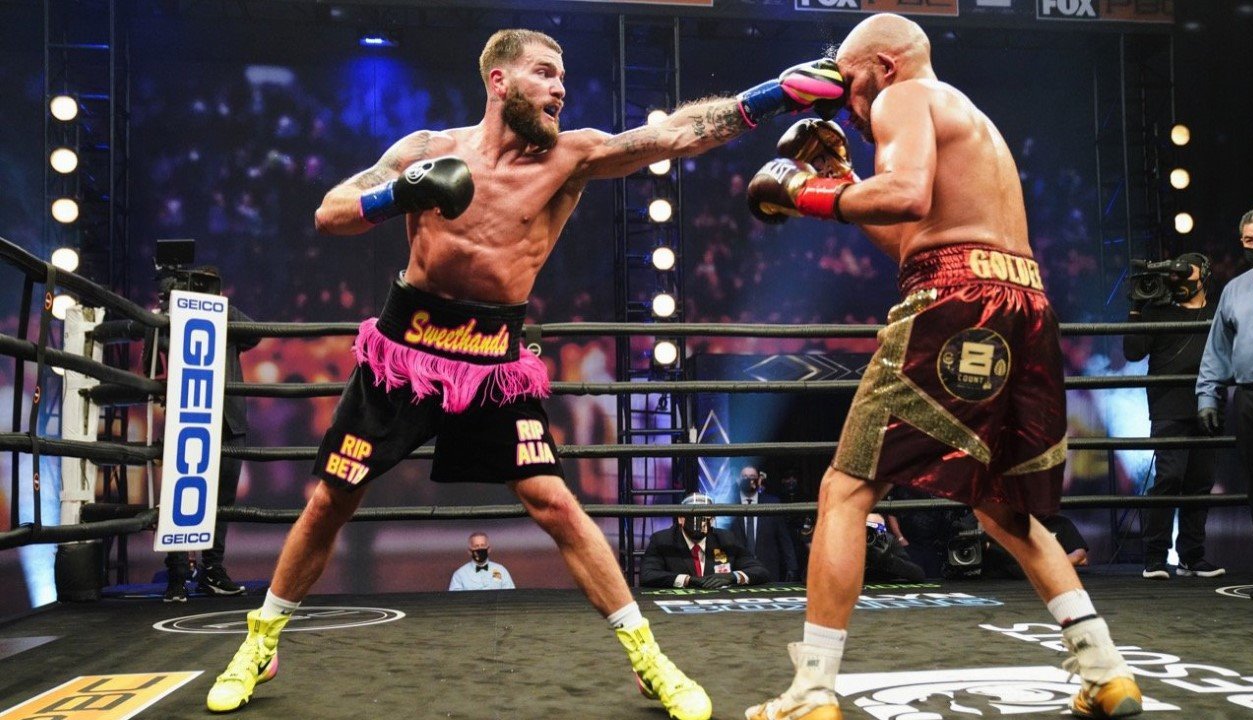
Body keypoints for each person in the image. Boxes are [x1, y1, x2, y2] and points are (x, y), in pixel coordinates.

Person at [204, 28, 845, 720]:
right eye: (544, 73)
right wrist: (398, 194)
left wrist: (771, 96)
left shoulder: (571, 156)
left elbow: (673, 136)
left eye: (562, 77)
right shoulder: (426, 150)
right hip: (405, 351)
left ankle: (648, 659)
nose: (560, 88)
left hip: (493, 360)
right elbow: (330, 214)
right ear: (500, 81)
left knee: (555, 505)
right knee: (332, 499)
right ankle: (260, 643)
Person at [743, 14, 1143, 719]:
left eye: (851, 81)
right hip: (1023, 301)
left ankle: (812, 691)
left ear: (885, 66)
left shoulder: (905, 96)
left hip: (957, 298)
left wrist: (802, 192)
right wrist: (840, 178)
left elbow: (906, 197)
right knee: (1002, 507)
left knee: (845, 489)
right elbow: (911, 239)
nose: (848, 103)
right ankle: (1107, 672)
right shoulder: (967, 118)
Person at [159, 266, 260, 602]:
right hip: (190, 416)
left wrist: (217, 306)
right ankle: (176, 576)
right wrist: (180, 305)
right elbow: (159, 346)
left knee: (223, 501)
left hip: (229, 420)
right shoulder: (175, 316)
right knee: (182, 494)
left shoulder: (225, 316)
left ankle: (212, 571)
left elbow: (255, 334)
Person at [1122, 253, 1224, 580]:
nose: (1179, 281)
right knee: (1169, 478)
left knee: (1200, 482)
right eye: (1175, 276)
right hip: (1169, 405)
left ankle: (1191, 557)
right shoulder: (1158, 311)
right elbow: (1133, 351)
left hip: (1209, 404)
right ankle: (1155, 557)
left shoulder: (1218, 311)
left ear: (1203, 276)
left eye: (1186, 275)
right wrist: (1136, 308)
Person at [1196, 205, 1253, 602]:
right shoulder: (1234, 290)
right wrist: (1207, 396)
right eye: (1250, 240)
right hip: (1249, 399)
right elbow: (1217, 348)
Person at [640, 493, 770, 589]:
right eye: (694, 517)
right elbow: (647, 575)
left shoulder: (726, 539)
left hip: (718, 607)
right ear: (680, 518)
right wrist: (688, 580)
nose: (700, 523)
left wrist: (732, 576)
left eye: (705, 517)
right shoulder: (663, 540)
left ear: (712, 519)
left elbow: (760, 570)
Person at [731, 466, 799, 582]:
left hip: (768, 568)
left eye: (752, 476)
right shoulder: (729, 503)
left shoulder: (772, 503)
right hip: (738, 569)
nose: (749, 480)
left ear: (759, 479)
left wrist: (792, 567)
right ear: (738, 479)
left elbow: (783, 537)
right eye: (745, 477)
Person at [447, 531, 515, 591]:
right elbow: (455, 599)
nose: (480, 549)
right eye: (476, 546)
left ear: (489, 549)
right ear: (469, 551)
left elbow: (511, 596)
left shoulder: (501, 570)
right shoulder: (459, 575)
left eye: (483, 545)